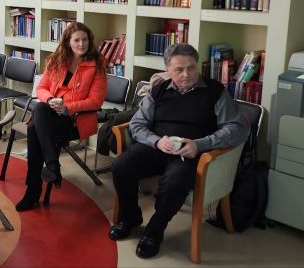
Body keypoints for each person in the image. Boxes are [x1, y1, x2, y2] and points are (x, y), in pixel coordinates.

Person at [109, 43, 248, 259]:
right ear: (168, 70)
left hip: (190, 153)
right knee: (121, 166)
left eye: (191, 68)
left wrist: (200, 144)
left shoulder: (215, 92)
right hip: (158, 146)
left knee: (175, 182)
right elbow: (137, 124)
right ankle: (129, 217)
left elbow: (237, 128)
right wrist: (156, 141)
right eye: (179, 69)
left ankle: (155, 230)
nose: (186, 74)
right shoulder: (159, 90)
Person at [16, 22, 108, 212]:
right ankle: (52, 166)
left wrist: (67, 107)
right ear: (68, 42)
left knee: (34, 128)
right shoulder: (56, 60)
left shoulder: (97, 65)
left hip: (74, 120)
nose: (81, 44)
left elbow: (96, 101)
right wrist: (51, 100)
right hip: (49, 114)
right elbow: (41, 88)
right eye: (77, 40)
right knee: (40, 110)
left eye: (85, 40)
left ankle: (34, 189)